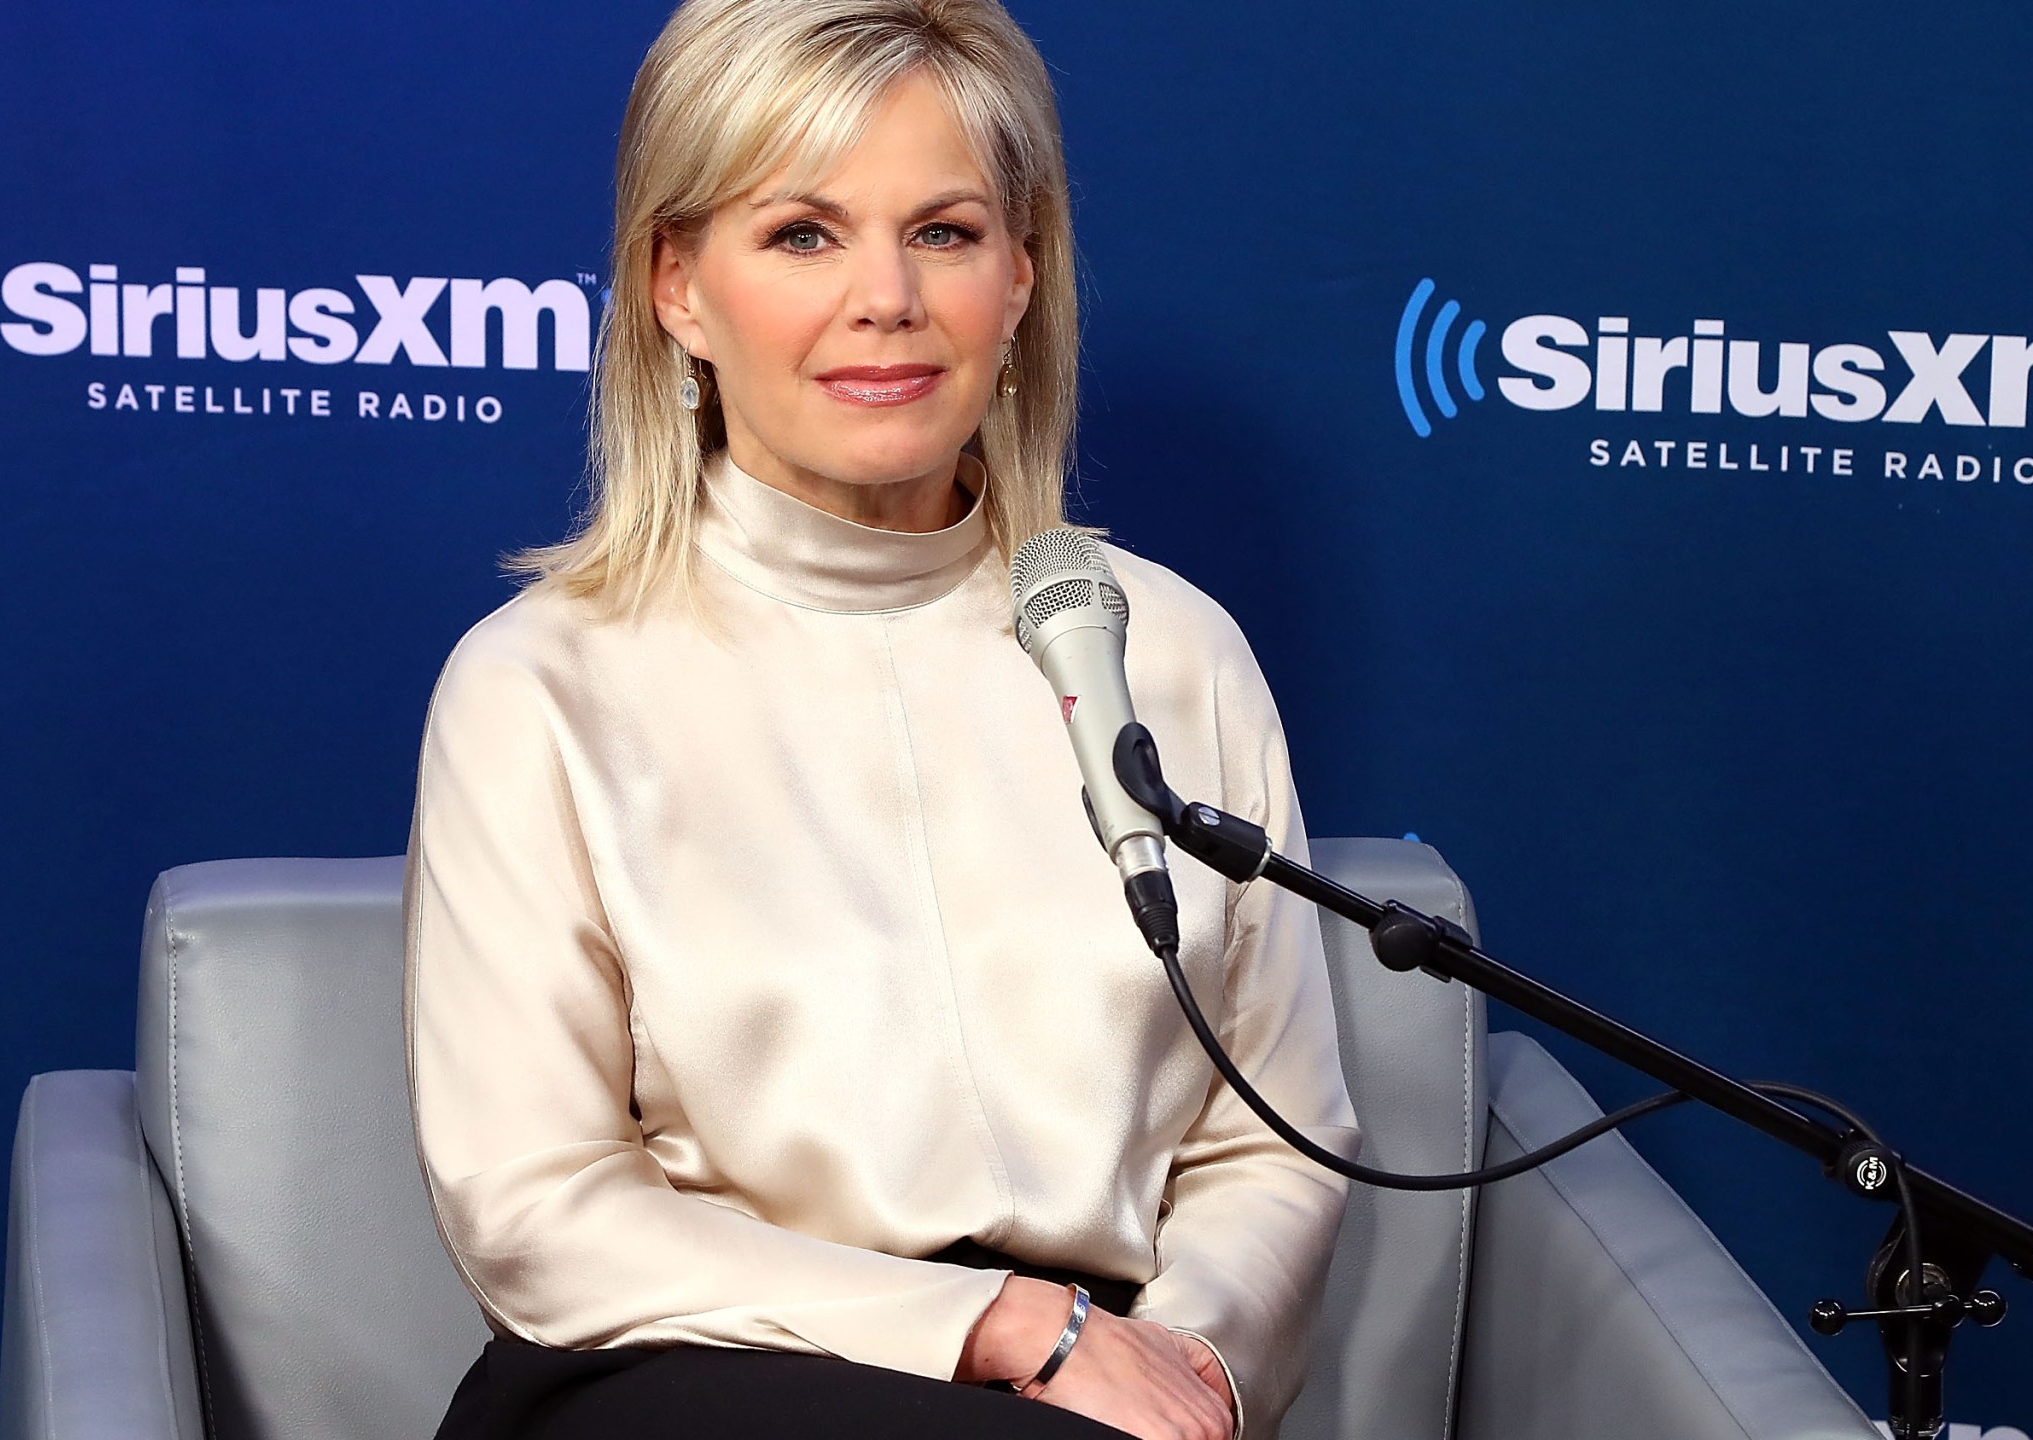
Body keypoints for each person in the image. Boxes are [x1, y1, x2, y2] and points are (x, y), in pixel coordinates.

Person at [403, 3, 1360, 1437]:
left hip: (1094, 1390)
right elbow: (536, 1209)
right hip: (685, 1378)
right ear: (678, 287)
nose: (887, 297)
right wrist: (990, 1326)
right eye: (802, 234)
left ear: (1022, 273)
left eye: (947, 231)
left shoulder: (1165, 648)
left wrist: (1196, 1371)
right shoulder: (540, 681)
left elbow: (1272, 1144)